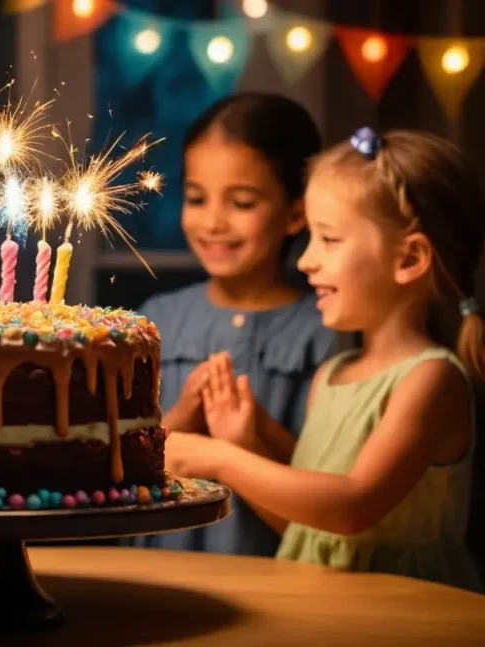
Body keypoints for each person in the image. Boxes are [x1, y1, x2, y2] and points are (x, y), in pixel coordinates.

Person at [166, 127, 483, 591]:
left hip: (408, 619)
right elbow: (310, 525)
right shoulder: (333, 375)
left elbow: (352, 508)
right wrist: (249, 441)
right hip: (323, 608)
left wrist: (219, 459)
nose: (305, 261)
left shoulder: (431, 380)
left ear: (410, 258)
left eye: (329, 240)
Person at [132, 93, 335, 556]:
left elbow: (327, 493)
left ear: (295, 213)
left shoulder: (323, 331)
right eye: (197, 198)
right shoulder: (157, 320)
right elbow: (115, 473)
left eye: (242, 202)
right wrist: (175, 422)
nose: (214, 221)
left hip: (272, 578)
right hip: (155, 572)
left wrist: (250, 441)